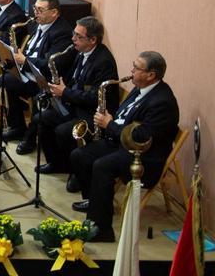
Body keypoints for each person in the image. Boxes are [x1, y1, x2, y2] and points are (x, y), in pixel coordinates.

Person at [68, 50, 180, 241]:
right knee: (79, 155)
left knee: (102, 166)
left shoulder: (162, 102)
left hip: (144, 156)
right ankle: (96, 201)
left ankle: (101, 230)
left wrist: (109, 125)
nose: (132, 70)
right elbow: (124, 117)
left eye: (137, 68)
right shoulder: (140, 87)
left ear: (151, 75)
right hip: (121, 144)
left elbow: (141, 137)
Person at [24, 15, 118, 183]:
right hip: (75, 104)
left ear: (93, 40)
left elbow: (95, 98)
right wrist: (59, 86)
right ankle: (57, 162)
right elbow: (75, 78)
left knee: (63, 131)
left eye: (78, 36)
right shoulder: (80, 51)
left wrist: (65, 92)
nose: (73, 39)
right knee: (41, 119)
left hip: (91, 114)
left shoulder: (104, 62)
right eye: (74, 34)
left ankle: (75, 170)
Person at [0, 0, 73, 141]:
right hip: (29, 72)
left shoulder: (63, 33)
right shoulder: (38, 23)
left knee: (37, 96)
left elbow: (52, 63)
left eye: (40, 10)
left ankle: (30, 138)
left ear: (54, 12)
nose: (35, 13)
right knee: (4, 79)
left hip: (45, 79)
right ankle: (17, 127)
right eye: (35, 9)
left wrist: (26, 60)